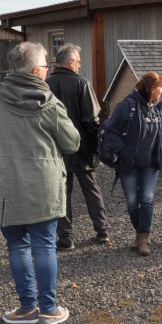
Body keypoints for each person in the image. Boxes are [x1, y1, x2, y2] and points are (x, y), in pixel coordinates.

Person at [0, 42, 79, 324]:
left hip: (3, 187)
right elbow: (72, 142)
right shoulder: (48, 101)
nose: (46, 71)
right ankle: (49, 310)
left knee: (17, 246)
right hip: (42, 186)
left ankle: (28, 307)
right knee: (44, 246)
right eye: (44, 66)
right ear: (34, 70)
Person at [46, 43, 108, 251]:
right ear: (71, 62)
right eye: (79, 62)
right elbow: (91, 119)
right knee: (91, 189)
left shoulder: (45, 84)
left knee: (62, 193)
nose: (80, 65)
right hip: (81, 148)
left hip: (54, 149)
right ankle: (102, 231)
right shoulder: (82, 84)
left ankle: (66, 238)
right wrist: (97, 146)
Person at [101, 72, 162, 256]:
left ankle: (143, 239)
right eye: (160, 87)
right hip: (128, 165)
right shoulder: (126, 107)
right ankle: (140, 234)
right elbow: (109, 132)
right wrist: (123, 150)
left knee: (146, 199)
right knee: (132, 202)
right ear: (151, 89)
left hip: (150, 164)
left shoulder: (157, 109)